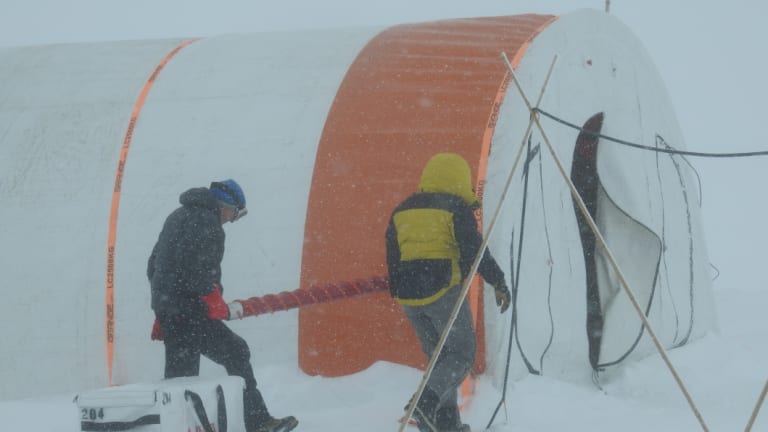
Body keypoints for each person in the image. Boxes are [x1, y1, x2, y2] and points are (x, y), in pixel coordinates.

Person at [147, 179, 298, 432]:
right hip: (191, 311)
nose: (233, 219)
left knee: (180, 378)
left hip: (170, 310)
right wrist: (212, 298)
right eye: (237, 213)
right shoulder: (209, 222)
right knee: (236, 351)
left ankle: (175, 426)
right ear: (226, 206)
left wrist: (161, 310)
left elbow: (154, 266)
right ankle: (257, 422)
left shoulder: (177, 216)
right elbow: (196, 269)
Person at [385, 153, 511, 432]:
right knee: (462, 354)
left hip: (408, 296)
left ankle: (445, 425)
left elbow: (392, 256)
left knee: (439, 361)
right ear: (459, 179)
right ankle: (425, 403)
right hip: (441, 291)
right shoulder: (455, 208)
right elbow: (474, 252)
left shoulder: (403, 208)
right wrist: (498, 281)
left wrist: (400, 287)